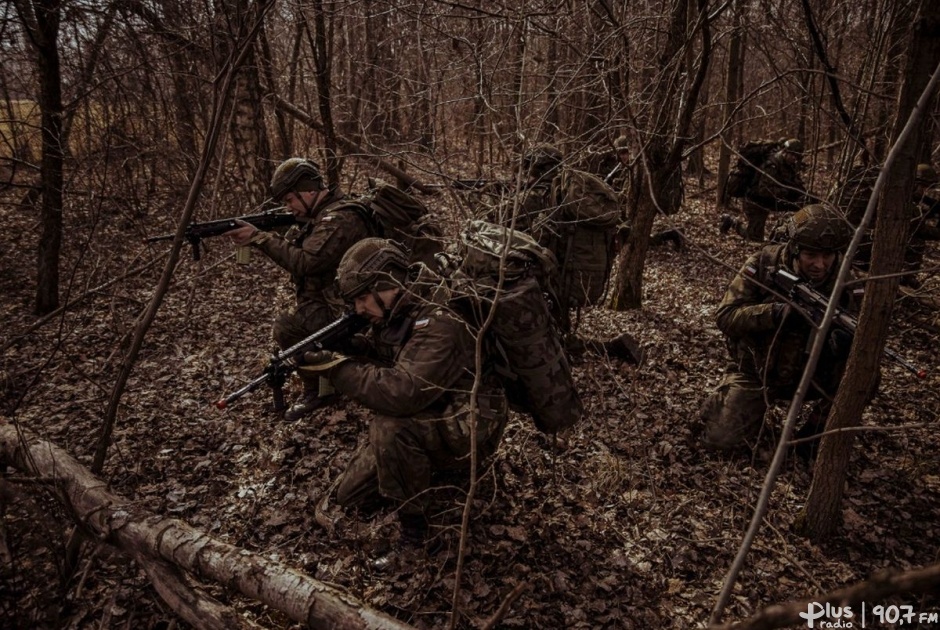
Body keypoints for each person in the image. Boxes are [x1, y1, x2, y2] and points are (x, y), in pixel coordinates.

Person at [302, 238, 508, 548]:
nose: (358, 309)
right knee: (349, 498)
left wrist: (338, 370)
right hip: (440, 407)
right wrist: (353, 348)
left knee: (390, 427)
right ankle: (422, 466)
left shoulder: (442, 320)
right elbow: (396, 354)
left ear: (388, 283)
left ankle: (417, 530)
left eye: (362, 298)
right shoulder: (404, 307)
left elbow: (401, 393)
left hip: (470, 425)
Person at [700, 204, 862, 453]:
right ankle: (722, 403)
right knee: (721, 442)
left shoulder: (849, 282)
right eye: (811, 255)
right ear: (795, 249)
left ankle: (814, 437)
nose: (820, 264)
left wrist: (844, 345)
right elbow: (725, 317)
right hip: (757, 371)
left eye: (827, 256)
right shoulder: (764, 264)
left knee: (866, 376)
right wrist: (774, 313)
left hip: (812, 375)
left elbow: (864, 342)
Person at [225, 157, 373, 421]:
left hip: (360, 313)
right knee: (300, 321)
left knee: (287, 327)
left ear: (309, 191)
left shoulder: (340, 218)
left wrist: (260, 238)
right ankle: (329, 379)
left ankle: (321, 388)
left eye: (291, 200)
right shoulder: (321, 215)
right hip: (341, 304)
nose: (289, 207)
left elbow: (306, 262)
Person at [721, 138, 811, 242]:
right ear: (785, 151)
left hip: (768, 202)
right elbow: (763, 190)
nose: (795, 159)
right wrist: (786, 192)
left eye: (797, 157)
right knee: (755, 240)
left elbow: (795, 183)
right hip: (755, 202)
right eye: (793, 155)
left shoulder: (788, 165)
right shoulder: (772, 164)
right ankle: (732, 222)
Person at [903, 163, 940, 288]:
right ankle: (904, 276)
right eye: (923, 187)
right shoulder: (903, 199)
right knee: (916, 241)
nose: (925, 191)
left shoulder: (913, 199)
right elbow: (919, 230)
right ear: (914, 183)